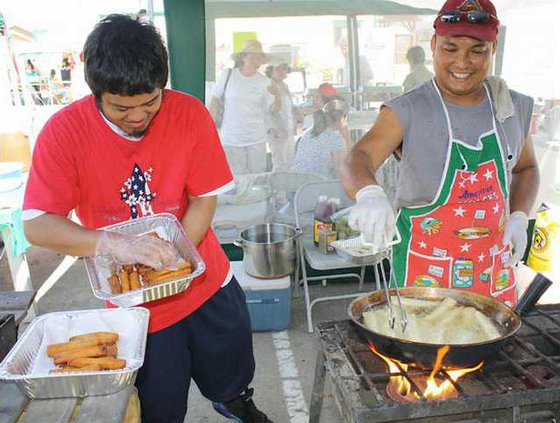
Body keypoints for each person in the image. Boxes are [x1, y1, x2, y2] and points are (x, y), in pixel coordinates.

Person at [23, 15, 271, 423]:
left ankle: (234, 401)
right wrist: (113, 245)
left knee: (231, 371)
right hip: (137, 307)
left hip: (207, 282)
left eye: (150, 102)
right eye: (121, 107)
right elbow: (37, 223)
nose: (138, 117)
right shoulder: (64, 133)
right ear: (96, 92)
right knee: (158, 405)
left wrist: (177, 259)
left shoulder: (189, 114)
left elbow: (203, 200)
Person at [341, 0, 539, 307]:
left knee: (492, 348)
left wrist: (518, 216)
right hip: (426, 282)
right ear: (433, 44)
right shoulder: (407, 110)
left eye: (477, 50)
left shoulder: (511, 107)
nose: (463, 62)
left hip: (492, 277)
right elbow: (359, 157)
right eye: (450, 48)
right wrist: (369, 194)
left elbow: (526, 168)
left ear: (493, 48)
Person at [209, 40, 281, 174]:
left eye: (259, 57)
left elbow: (273, 110)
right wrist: (209, 127)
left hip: (256, 138)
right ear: (243, 57)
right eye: (252, 56)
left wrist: (277, 96)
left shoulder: (264, 82)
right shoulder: (228, 75)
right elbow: (215, 100)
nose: (255, 60)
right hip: (231, 138)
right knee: (235, 180)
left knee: (257, 178)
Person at [293, 98, 349, 179]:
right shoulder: (336, 140)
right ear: (343, 119)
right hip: (320, 187)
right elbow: (341, 174)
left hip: (299, 188)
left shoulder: (307, 133)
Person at [265, 55, 299, 170]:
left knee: (290, 162)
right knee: (280, 164)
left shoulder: (285, 86)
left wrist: (296, 110)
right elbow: (272, 110)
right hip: (277, 131)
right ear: (271, 71)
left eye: (284, 68)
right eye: (278, 68)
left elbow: (288, 106)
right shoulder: (269, 86)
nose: (282, 71)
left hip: (288, 129)